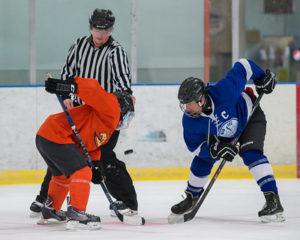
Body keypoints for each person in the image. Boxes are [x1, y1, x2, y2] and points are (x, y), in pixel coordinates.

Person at [30, 8, 138, 217]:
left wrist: (119, 107)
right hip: (80, 113)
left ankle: (126, 200)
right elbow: (68, 74)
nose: (102, 34)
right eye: (98, 29)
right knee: (65, 153)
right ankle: (48, 199)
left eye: (106, 30)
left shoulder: (116, 51)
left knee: (103, 156)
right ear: (91, 27)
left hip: (105, 116)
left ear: (111, 30)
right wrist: (67, 97)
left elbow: (122, 85)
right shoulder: (79, 45)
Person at [169, 58, 285, 223]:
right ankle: (191, 197)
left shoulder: (225, 91)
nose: (186, 108)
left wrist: (260, 78)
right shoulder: (189, 120)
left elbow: (244, 65)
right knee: (203, 159)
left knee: (251, 154)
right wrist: (214, 149)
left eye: (189, 104)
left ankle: (273, 200)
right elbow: (194, 146)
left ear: (201, 99)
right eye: (184, 104)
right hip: (223, 134)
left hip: (249, 117)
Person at [36, 76, 135, 230]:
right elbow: (94, 89)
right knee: (82, 172)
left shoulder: (106, 125)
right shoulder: (112, 107)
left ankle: (51, 209)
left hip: (47, 135)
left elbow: (92, 145)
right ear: (123, 108)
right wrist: (72, 86)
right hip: (56, 135)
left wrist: (95, 165)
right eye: (128, 115)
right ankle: (77, 211)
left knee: (62, 176)